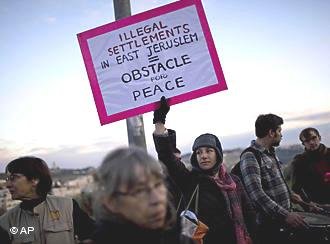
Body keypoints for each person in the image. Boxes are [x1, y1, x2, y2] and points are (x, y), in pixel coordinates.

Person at [152, 97, 256, 244]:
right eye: (199, 152)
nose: (204, 156)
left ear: (218, 154)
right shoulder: (190, 181)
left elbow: (249, 215)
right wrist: (159, 121)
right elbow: (167, 158)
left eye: (208, 151)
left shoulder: (234, 181)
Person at [91, 146, 195, 244]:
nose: (157, 199)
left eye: (158, 184)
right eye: (139, 191)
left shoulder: (182, 239)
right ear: (111, 202)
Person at [239, 114, 310, 244]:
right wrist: (286, 215)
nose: (281, 135)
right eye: (279, 131)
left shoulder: (271, 154)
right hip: (269, 228)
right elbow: (256, 194)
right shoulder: (250, 156)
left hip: (283, 224)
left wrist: (293, 196)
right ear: (271, 133)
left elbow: (276, 184)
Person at [0, 156, 95, 244]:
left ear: (34, 179)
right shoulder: (6, 222)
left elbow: (95, 235)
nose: (7, 184)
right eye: (7, 179)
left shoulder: (67, 207)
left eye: (13, 178)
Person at [291, 127, 330, 205]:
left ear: (319, 138)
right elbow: (296, 189)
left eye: (313, 138)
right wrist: (308, 205)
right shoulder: (300, 161)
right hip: (318, 206)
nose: (311, 142)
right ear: (303, 144)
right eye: (307, 141)